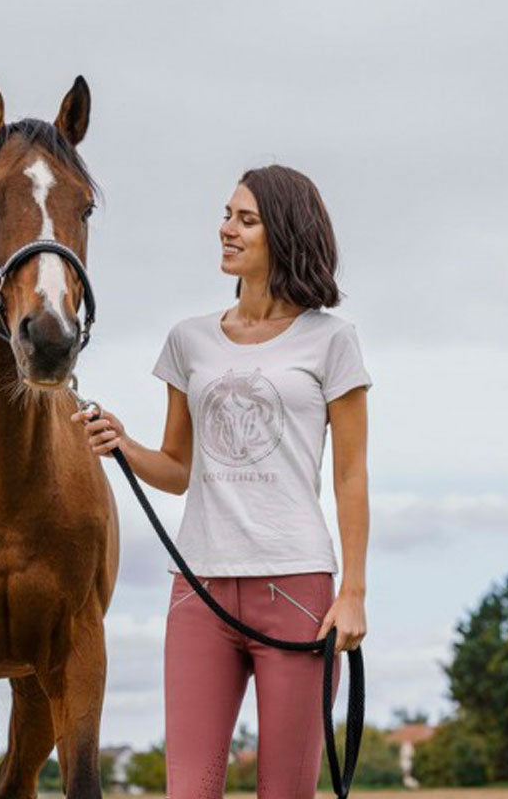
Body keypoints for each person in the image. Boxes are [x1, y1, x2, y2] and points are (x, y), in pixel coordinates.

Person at [70, 164, 371, 799]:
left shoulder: (332, 342)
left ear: (283, 233)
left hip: (296, 591)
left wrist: (353, 593)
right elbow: (178, 470)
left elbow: (350, 475)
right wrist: (123, 444)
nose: (226, 229)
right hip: (198, 591)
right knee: (190, 791)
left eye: (245, 219)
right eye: (226, 215)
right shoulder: (190, 340)